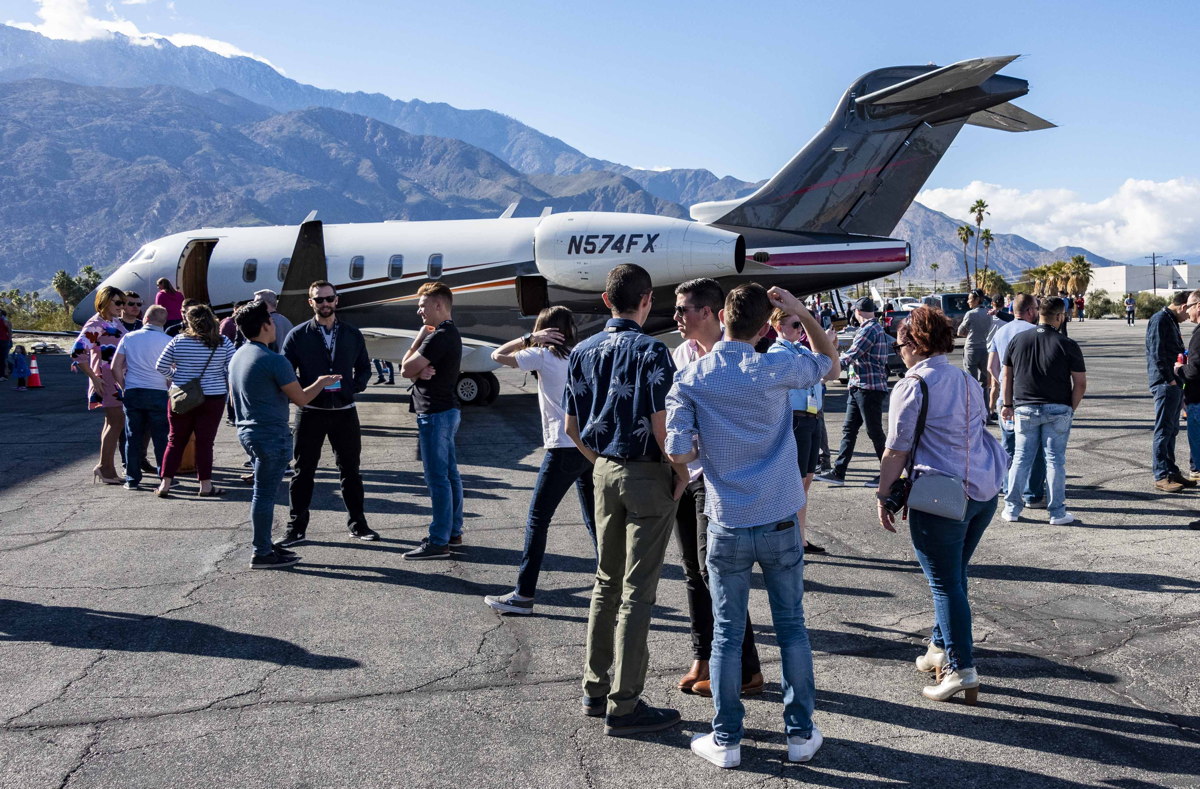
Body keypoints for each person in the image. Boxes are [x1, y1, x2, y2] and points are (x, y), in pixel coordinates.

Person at [667, 284, 834, 768]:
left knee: (726, 632)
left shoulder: (692, 377)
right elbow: (829, 362)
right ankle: (800, 734)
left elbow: (678, 452)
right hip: (780, 516)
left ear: (721, 316)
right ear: (765, 326)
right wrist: (799, 312)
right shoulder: (777, 365)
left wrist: (707, 459)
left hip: (727, 518)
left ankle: (727, 739)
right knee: (792, 629)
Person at [563, 263, 687, 737]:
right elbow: (662, 424)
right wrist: (681, 475)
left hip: (603, 469)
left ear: (605, 301)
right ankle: (625, 703)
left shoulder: (582, 350)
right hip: (645, 472)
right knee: (638, 591)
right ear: (647, 300)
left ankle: (595, 688)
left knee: (604, 582)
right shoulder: (653, 350)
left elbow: (572, 427)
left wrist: (600, 461)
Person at [876, 306, 1007, 705]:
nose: (898, 352)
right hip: (982, 489)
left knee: (945, 583)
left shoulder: (913, 384)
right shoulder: (966, 378)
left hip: (941, 496)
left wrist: (883, 495)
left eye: (900, 345)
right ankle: (938, 645)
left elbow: (896, 449)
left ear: (915, 343)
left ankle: (960, 669)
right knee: (953, 576)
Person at [666, 278, 764, 699]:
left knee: (715, 572)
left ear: (709, 312)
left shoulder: (740, 355)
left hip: (718, 478)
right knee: (692, 571)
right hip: (685, 475)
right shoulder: (681, 354)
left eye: (684, 309)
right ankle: (702, 656)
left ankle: (746, 668)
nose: (676, 318)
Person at [483, 306, 596, 614]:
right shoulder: (578, 355)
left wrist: (529, 337)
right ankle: (610, 586)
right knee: (593, 520)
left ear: (546, 329)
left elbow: (496, 356)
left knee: (537, 520)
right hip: (586, 445)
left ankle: (524, 594)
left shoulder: (544, 355)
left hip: (562, 446)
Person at [229, 301, 341, 569]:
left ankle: (265, 547)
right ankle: (262, 552)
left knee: (261, 493)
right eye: (271, 320)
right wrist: (322, 383)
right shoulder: (274, 360)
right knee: (264, 495)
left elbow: (236, 400)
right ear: (266, 325)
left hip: (248, 432)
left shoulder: (239, 355)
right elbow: (301, 398)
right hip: (270, 435)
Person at [277, 280, 378, 545]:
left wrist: (353, 387)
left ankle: (358, 524)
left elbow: (365, 367)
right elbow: (285, 371)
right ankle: (295, 527)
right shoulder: (298, 335)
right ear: (311, 303)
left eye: (328, 298)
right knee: (303, 471)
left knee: (351, 471)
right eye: (318, 300)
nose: (324, 304)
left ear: (337, 300)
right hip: (311, 411)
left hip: (345, 411)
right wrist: (305, 391)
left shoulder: (351, 334)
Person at [1001, 297, 1087, 524]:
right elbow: (1080, 383)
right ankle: (1057, 513)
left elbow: (1007, 376)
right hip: (1058, 408)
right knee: (1055, 461)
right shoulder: (1067, 344)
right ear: (1059, 316)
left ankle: (1011, 509)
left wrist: (1007, 404)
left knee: (1020, 458)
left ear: (1039, 313)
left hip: (1024, 408)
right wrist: (1070, 408)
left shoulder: (1018, 340)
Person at [768, 306, 842, 555]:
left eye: (802, 326)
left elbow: (830, 371)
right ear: (779, 326)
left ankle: (800, 538)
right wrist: (820, 346)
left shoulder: (801, 350)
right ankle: (788, 538)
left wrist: (827, 346)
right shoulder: (779, 352)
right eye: (796, 325)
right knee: (796, 482)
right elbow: (811, 371)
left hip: (811, 418)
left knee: (806, 481)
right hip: (796, 419)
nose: (801, 330)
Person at [400, 281, 464, 559]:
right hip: (445, 411)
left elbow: (404, 368)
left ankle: (439, 541)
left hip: (435, 414)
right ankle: (453, 532)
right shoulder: (447, 333)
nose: (419, 311)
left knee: (437, 478)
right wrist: (417, 371)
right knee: (449, 475)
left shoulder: (438, 335)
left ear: (438, 305)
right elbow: (413, 371)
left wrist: (417, 340)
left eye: (422, 305)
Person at [154, 303, 236, 497]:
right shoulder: (223, 342)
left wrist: (178, 376)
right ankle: (205, 486)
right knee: (205, 442)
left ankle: (165, 484)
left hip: (182, 395)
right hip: (213, 396)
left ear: (189, 321)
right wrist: (217, 376)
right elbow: (232, 367)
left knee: (175, 440)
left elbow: (160, 366)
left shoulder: (179, 340)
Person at [816, 297, 888, 486]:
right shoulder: (873, 328)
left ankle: (889, 475)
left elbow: (851, 356)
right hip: (859, 386)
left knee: (874, 432)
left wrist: (826, 371)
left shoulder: (869, 329)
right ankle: (839, 472)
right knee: (849, 430)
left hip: (868, 388)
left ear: (857, 312)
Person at [987, 294, 1046, 508]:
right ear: (1030, 311)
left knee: (1009, 446)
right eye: (1037, 309)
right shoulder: (1034, 333)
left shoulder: (1001, 332)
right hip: (1029, 398)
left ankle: (1007, 487)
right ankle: (1032, 494)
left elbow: (991, 367)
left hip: (1006, 399)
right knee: (1035, 447)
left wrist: (1003, 383)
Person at [111, 305, 172, 490]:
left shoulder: (129, 337)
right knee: (161, 437)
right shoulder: (169, 341)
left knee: (132, 437)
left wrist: (124, 386)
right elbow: (174, 369)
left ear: (145, 318)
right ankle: (165, 477)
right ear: (164, 322)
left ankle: (132, 478)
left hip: (134, 391)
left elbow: (115, 367)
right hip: (158, 392)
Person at [71, 285, 127, 485]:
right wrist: (94, 378)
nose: (122, 306)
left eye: (123, 302)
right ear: (105, 302)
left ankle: (106, 467)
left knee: (112, 422)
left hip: (113, 377)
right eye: (118, 302)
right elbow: (78, 351)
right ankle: (105, 468)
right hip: (107, 378)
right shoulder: (96, 324)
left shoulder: (112, 321)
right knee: (116, 421)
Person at [1145, 291, 1195, 493]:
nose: (1187, 317)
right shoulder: (1160, 319)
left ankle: (1172, 471)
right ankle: (1161, 475)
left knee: (1172, 429)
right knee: (1164, 430)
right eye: (1188, 311)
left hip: (1175, 383)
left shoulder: (1170, 320)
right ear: (1183, 306)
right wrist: (1170, 380)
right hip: (1166, 383)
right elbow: (1157, 353)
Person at [1180, 292, 1200, 482]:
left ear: (1199, 306)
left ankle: (1197, 470)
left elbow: (1193, 371)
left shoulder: (1198, 336)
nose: (1187, 310)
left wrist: (1179, 369)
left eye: (1190, 306)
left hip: (1197, 398)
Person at [957, 289, 991, 393]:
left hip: (971, 349)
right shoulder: (988, 312)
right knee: (985, 383)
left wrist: (968, 334)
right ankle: (985, 406)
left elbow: (959, 331)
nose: (968, 301)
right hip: (985, 349)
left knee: (972, 382)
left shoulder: (970, 314)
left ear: (976, 300)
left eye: (969, 299)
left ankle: (973, 406)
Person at [0, 308, 11, 380]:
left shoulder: (5, 321)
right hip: (4, 340)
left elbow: (9, 330)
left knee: (3, 358)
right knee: (3, 358)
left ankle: (4, 375)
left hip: (3, 341)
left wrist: (9, 339)